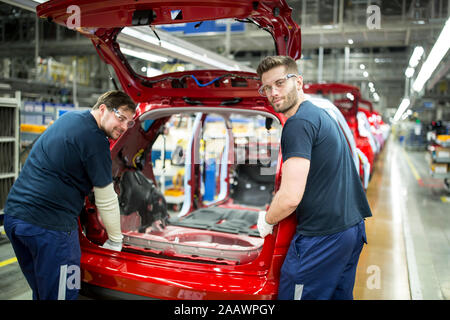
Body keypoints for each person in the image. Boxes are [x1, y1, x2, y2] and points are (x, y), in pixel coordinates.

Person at [256, 56, 372, 300]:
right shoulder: (320, 115)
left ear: (298, 81)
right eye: (267, 87)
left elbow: (289, 198)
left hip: (322, 238)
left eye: (279, 83)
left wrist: (266, 221)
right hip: (350, 230)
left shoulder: (298, 124)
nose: (272, 92)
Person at [3, 90, 136, 300]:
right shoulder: (95, 140)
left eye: (129, 122)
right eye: (120, 118)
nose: (124, 127)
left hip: (16, 220)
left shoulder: (71, 119)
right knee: (63, 294)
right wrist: (115, 240)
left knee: (44, 292)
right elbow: (106, 198)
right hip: (50, 229)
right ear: (102, 109)